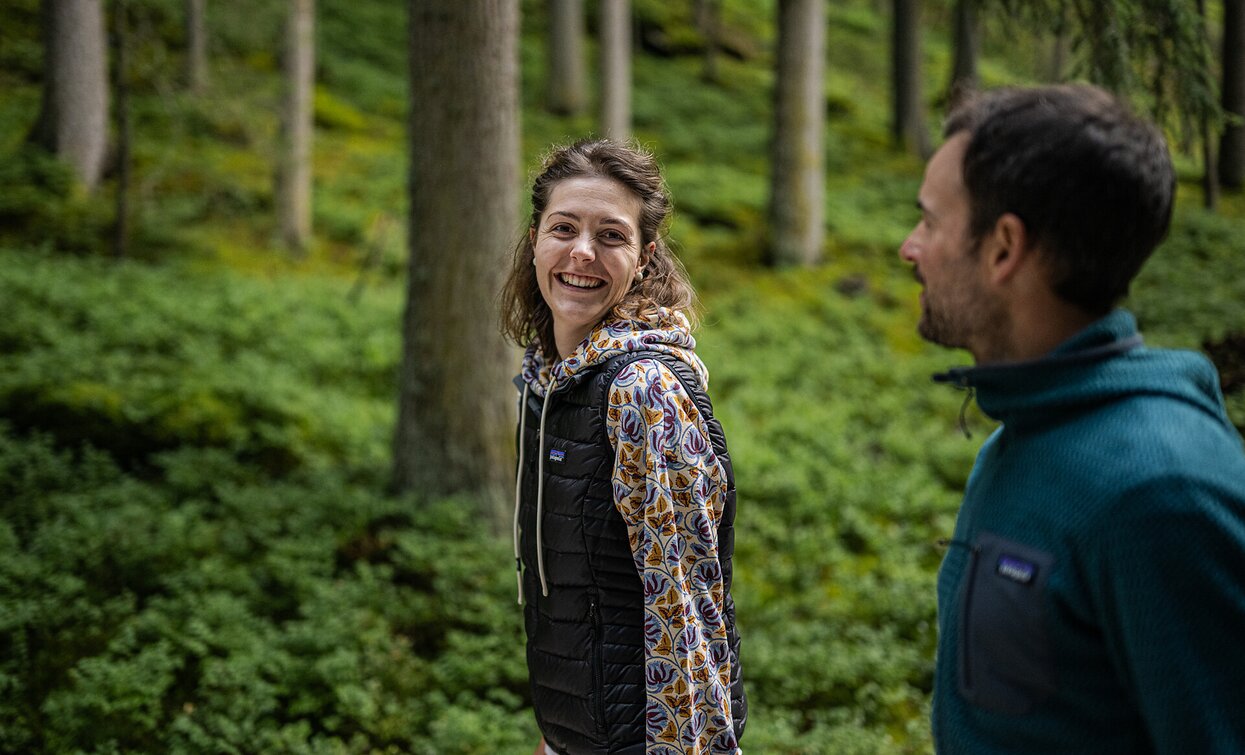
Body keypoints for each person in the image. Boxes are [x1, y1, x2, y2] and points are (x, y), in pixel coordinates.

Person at [899, 83, 1245, 754]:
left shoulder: (1160, 492)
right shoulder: (1024, 430)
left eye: (930, 222)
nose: (909, 248)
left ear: (1003, 248)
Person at [500, 139, 747, 755]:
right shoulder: (551, 380)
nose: (581, 252)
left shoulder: (643, 393)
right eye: (564, 228)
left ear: (644, 258)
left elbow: (685, 612)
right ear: (535, 238)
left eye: (611, 235)